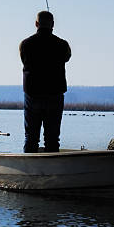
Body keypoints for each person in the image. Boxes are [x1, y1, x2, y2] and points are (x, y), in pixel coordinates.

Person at [19, 11, 71, 153]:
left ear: (36, 24)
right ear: (53, 24)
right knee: (52, 138)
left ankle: (29, 170)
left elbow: (23, 59)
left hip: (32, 95)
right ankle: (52, 170)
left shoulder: (25, 44)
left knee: (31, 137)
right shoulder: (62, 45)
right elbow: (67, 57)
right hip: (55, 95)